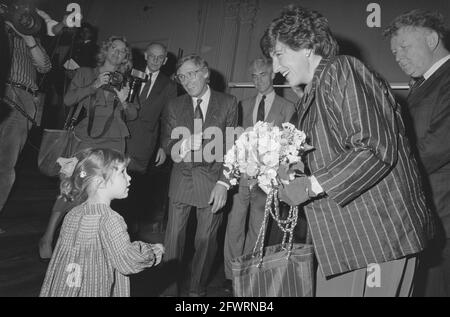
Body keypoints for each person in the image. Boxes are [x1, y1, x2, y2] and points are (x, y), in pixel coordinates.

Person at [262, 5, 433, 297]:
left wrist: (310, 186)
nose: (275, 68)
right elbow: (333, 155)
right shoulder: (311, 95)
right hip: (347, 242)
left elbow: (374, 148)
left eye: (279, 54)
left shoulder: (340, 69)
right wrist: (287, 175)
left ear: (305, 46)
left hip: (377, 238)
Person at [38, 36, 138, 259]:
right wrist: (93, 86)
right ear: (106, 50)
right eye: (114, 48)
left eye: (122, 51)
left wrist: (123, 101)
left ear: (125, 58)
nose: (117, 53)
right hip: (87, 138)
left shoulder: (126, 80)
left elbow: (133, 114)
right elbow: (68, 100)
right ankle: (47, 236)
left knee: (105, 193)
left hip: (115, 141)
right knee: (73, 188)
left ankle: (89, 243)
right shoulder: (85, 72)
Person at [385, 9, 450, 297]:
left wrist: (386, 172)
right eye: (394, 51)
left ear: (432, 38)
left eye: (404, 47)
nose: (398, 56)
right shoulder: (423, 84)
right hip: (425, 208)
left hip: (443, 208)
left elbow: (438, 145)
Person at [161, 54, 238, 296]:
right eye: (182, 76)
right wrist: (183, 144)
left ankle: (196, 290)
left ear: (205, 73)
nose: (186, 80)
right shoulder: (174, 105)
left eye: (191, 73)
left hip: (213, 181)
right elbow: (166, 143)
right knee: (173, 241)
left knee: (206, 242)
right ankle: (168, 289)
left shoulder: (228, 102)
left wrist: (225, 183)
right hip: (182, 178)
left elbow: (233, 147)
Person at [39, 148, 164, 297]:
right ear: (100, 183)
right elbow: (127, 261)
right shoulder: (110, 219)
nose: (129, 178)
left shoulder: (72, 214)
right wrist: (154, 252)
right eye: (122, 172)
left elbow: (58, 261)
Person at [222, 57, 294, 292]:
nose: (258, 80)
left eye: (262, 74)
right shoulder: (242, 104)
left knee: (257, 228)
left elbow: (288, 147)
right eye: (254, 76)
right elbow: (232, 140)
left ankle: (248, 274)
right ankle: (231, 275)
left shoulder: (287, 107)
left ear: (273, 75)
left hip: (266, 180)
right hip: (241, 175)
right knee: (233, 226)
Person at [0, 8, 51, 234]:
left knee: (5, 165)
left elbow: (45, 66)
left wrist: (27, 36)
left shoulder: (31, 37)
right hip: (4, 87)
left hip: (22, 97)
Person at [123, 42, 177, 234]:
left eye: (160, 57)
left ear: (165, 60)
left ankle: (127, 239)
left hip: (143, 144)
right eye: (152, 56)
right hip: (118, 138)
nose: (155, 60)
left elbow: (168, 119)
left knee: (132, 194)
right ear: (145, 55)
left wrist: (164, 146)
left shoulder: (169, 86)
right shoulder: (129, 74)